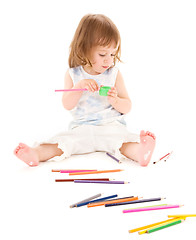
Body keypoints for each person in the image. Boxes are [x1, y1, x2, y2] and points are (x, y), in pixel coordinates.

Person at [14, 14, 156, 167]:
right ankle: (36, 153)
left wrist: (115, 101)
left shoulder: (114, 74)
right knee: (64, 141)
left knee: (122, 140)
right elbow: (67, 105)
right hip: (82, 128)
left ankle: (141, 152)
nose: (109, 60)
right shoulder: (73, 74)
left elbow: (127, 106)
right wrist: (78, 87)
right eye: (102, 54)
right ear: (84, 50)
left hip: (110, 126)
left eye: (112, 54)